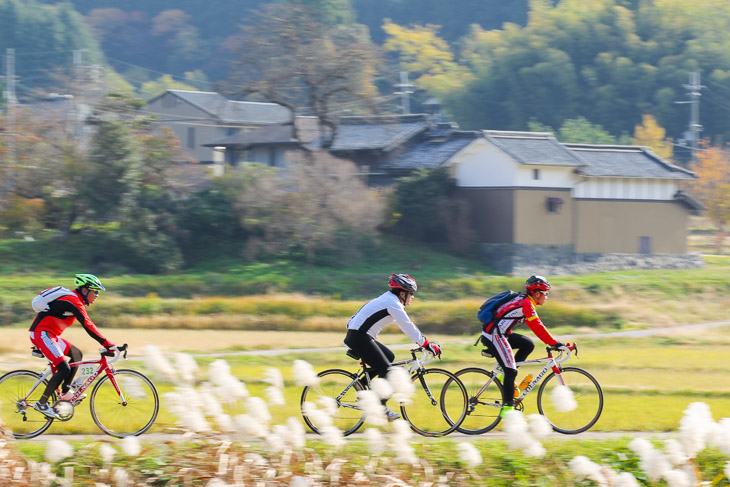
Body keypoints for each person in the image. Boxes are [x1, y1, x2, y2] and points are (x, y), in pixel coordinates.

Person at [345, 273, 441, 421]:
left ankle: (362, 388)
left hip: (358, 335)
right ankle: (380, 407)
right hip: (360, 337)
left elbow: (355, 317)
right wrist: (426, 344)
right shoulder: (393, 304)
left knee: (389, 357)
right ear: (402, 293)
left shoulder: (386, 298)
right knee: (389, 370)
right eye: (411, 294)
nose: (412, 297)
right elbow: (407, 326)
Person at [28, 274, 116, 419]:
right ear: (86, 290)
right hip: (41, 334)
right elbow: (88, 324)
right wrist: (107, 343)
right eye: (96, 291)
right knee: (63, 367)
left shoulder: (74, 300)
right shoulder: (73, 301)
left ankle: (65, 392)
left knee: (76, 354)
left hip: (50, 336)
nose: (97, 295)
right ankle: (42, 403)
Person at [480, 275, 564, 418]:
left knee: (528, 344)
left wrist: (553, 342)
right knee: (511, 371)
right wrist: (554, 343)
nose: (547, 297)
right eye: (546, 293)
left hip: (500, 334)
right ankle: (507, 410)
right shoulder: (526, 304)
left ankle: (503, 374)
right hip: (494, 335)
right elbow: (537, 326)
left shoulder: (524, 301)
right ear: (537, 293)